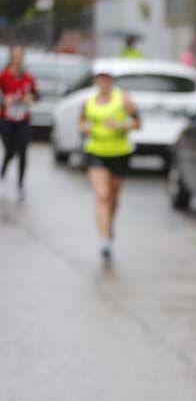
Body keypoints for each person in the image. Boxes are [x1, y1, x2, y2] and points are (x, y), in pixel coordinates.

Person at [78, 68, 140, 260]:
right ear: (96, 80)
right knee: (102, 195)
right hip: (95, 151)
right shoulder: (88, 102)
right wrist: (85, 128)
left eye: (107, 77)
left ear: (112, 80)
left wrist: (121, 125)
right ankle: (104, 239)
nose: (103, 81)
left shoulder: (123, 99)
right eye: (100, 77)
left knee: (113, 195)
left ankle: (109, 224)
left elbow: (137, 123)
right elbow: (80, 123)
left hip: (120, 152)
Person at [0, 45, 38, 200]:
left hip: (23, 119)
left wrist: (31, 98)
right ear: (11, 57)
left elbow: (36, 95)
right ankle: (3, 170)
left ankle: (20, 185)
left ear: (23, 58)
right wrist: (4, 101)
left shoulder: (28, 78)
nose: (17, 59)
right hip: (6, 119)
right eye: (15, 56)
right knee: (10, 150)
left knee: (23, 151)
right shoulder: (3, 76)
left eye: (20, 56)